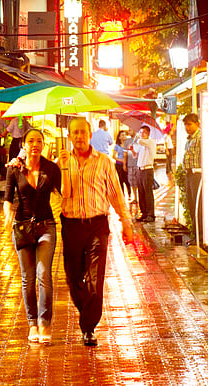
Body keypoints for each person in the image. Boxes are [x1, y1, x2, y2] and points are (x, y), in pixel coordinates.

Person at [59, 117, 134, 347]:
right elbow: (58, 193)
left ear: (90, 134)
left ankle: (89, 327)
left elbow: (115, 194)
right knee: (73, 279)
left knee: (94, 277)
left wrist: (126, 222)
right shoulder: (62, 160)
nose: (79, 136)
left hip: (97, 225)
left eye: (83, 132)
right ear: (69, 136)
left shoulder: (104, 162)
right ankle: (87, 311)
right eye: (75, 133)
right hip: (70, 225)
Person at [3, 128, 61, 345]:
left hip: (46, 226)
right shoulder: (15, 169)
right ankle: (32, 324)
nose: (35, 144)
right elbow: (7, 198)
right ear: (24, 145)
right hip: (22, 227)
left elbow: (65, 192)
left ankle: (45, 323)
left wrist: (64, 163)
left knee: (44, 274)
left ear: (43, 145)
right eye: (31, 141)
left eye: (39, 141)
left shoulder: (51, 168)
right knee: (27, 278)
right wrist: (7, 213)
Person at [180, 114, 202, 244]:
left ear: (197, 124)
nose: (187, 127)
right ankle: (196, 236)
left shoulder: (200, 138)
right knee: (192, 206)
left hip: (197, 174)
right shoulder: (190, 139)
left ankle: (200, 237)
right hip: (189, 174)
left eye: (189, 124)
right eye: (185, 125)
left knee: (198, 206)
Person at [130, 126, 157, 222]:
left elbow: (140, 141)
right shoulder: (141, 144)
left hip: (147, 170)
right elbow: (135, 156)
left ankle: (151, 214)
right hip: (140, 170)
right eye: (140, 132)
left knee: (148, 192)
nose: (141, 134)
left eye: (143, 132)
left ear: (148, 133)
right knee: (141, 192)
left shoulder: (150, 142)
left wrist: (137, 137)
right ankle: (144, 213)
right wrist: (132, 150)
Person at [113, 130, 132, 203]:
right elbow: (114, 156)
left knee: (127, 180)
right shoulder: (117, 146)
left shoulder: (128, 145)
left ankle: (129, 193)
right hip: (119, 165)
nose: (124, 136)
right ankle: (122, 195)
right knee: (120, 180)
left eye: (125, 135)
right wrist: (121, 160)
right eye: (122, 135)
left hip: (127, 164)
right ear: (119, 137)